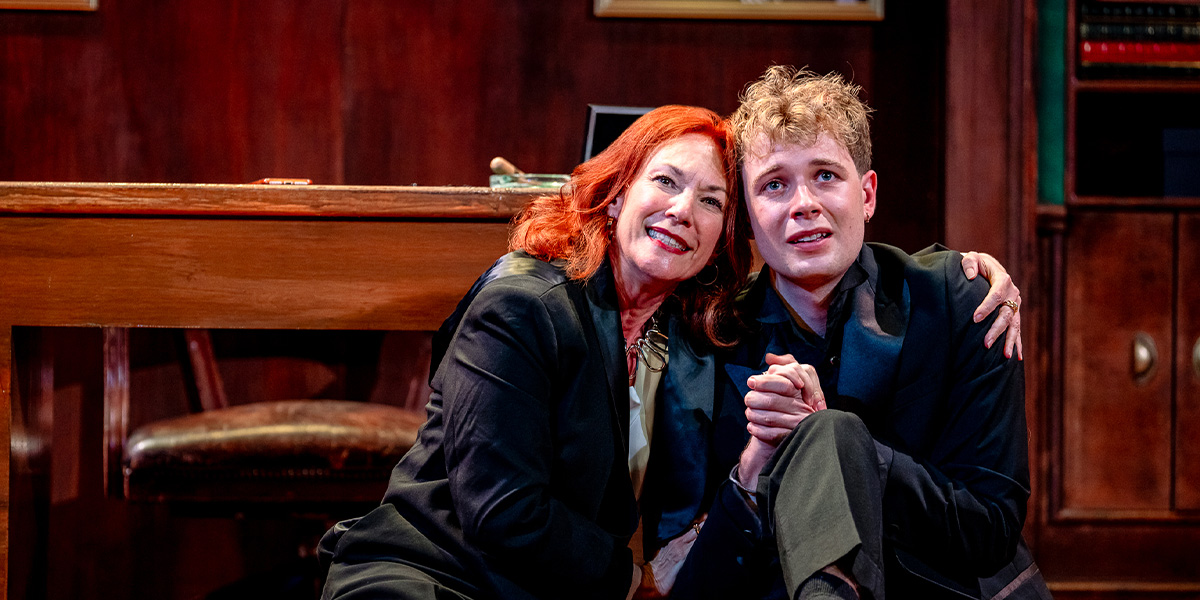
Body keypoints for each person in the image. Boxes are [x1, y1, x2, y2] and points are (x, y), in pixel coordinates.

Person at [318, 102, 1023, 600]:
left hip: (938, 581)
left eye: (711, 200)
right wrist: (642, 577)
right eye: (665, 182)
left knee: (835, 432)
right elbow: (508, 513)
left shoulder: (690, 335)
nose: (685, 211)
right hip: (443, 575)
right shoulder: (556, 309)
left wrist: (975, 272)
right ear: (618, 195)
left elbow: (990, 523)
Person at [669, 66, 1052, 600]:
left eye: (826, 175)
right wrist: (753, 474)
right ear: (748, 218)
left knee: (832, 434)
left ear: (867, 194)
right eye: (774, 184)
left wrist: (839, 449)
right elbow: (700, 586)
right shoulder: (711, 337)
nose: (804, 203)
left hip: (947, 591)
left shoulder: (961, 299)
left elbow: (991, 530)